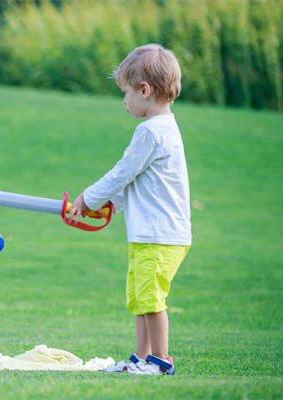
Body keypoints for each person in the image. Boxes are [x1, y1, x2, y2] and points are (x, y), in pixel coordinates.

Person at [68, 44, 191, 375]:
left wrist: (89, 199)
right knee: (140, 300)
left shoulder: (150, 132)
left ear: (144, 90)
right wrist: (110, 206)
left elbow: (122, 172)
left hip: (159, 235)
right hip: (149, 233)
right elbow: (137, 182)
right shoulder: (163, 130)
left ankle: (161, 361)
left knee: (151, 300)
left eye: (125, 93)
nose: (124, 101)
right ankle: (141, 358)